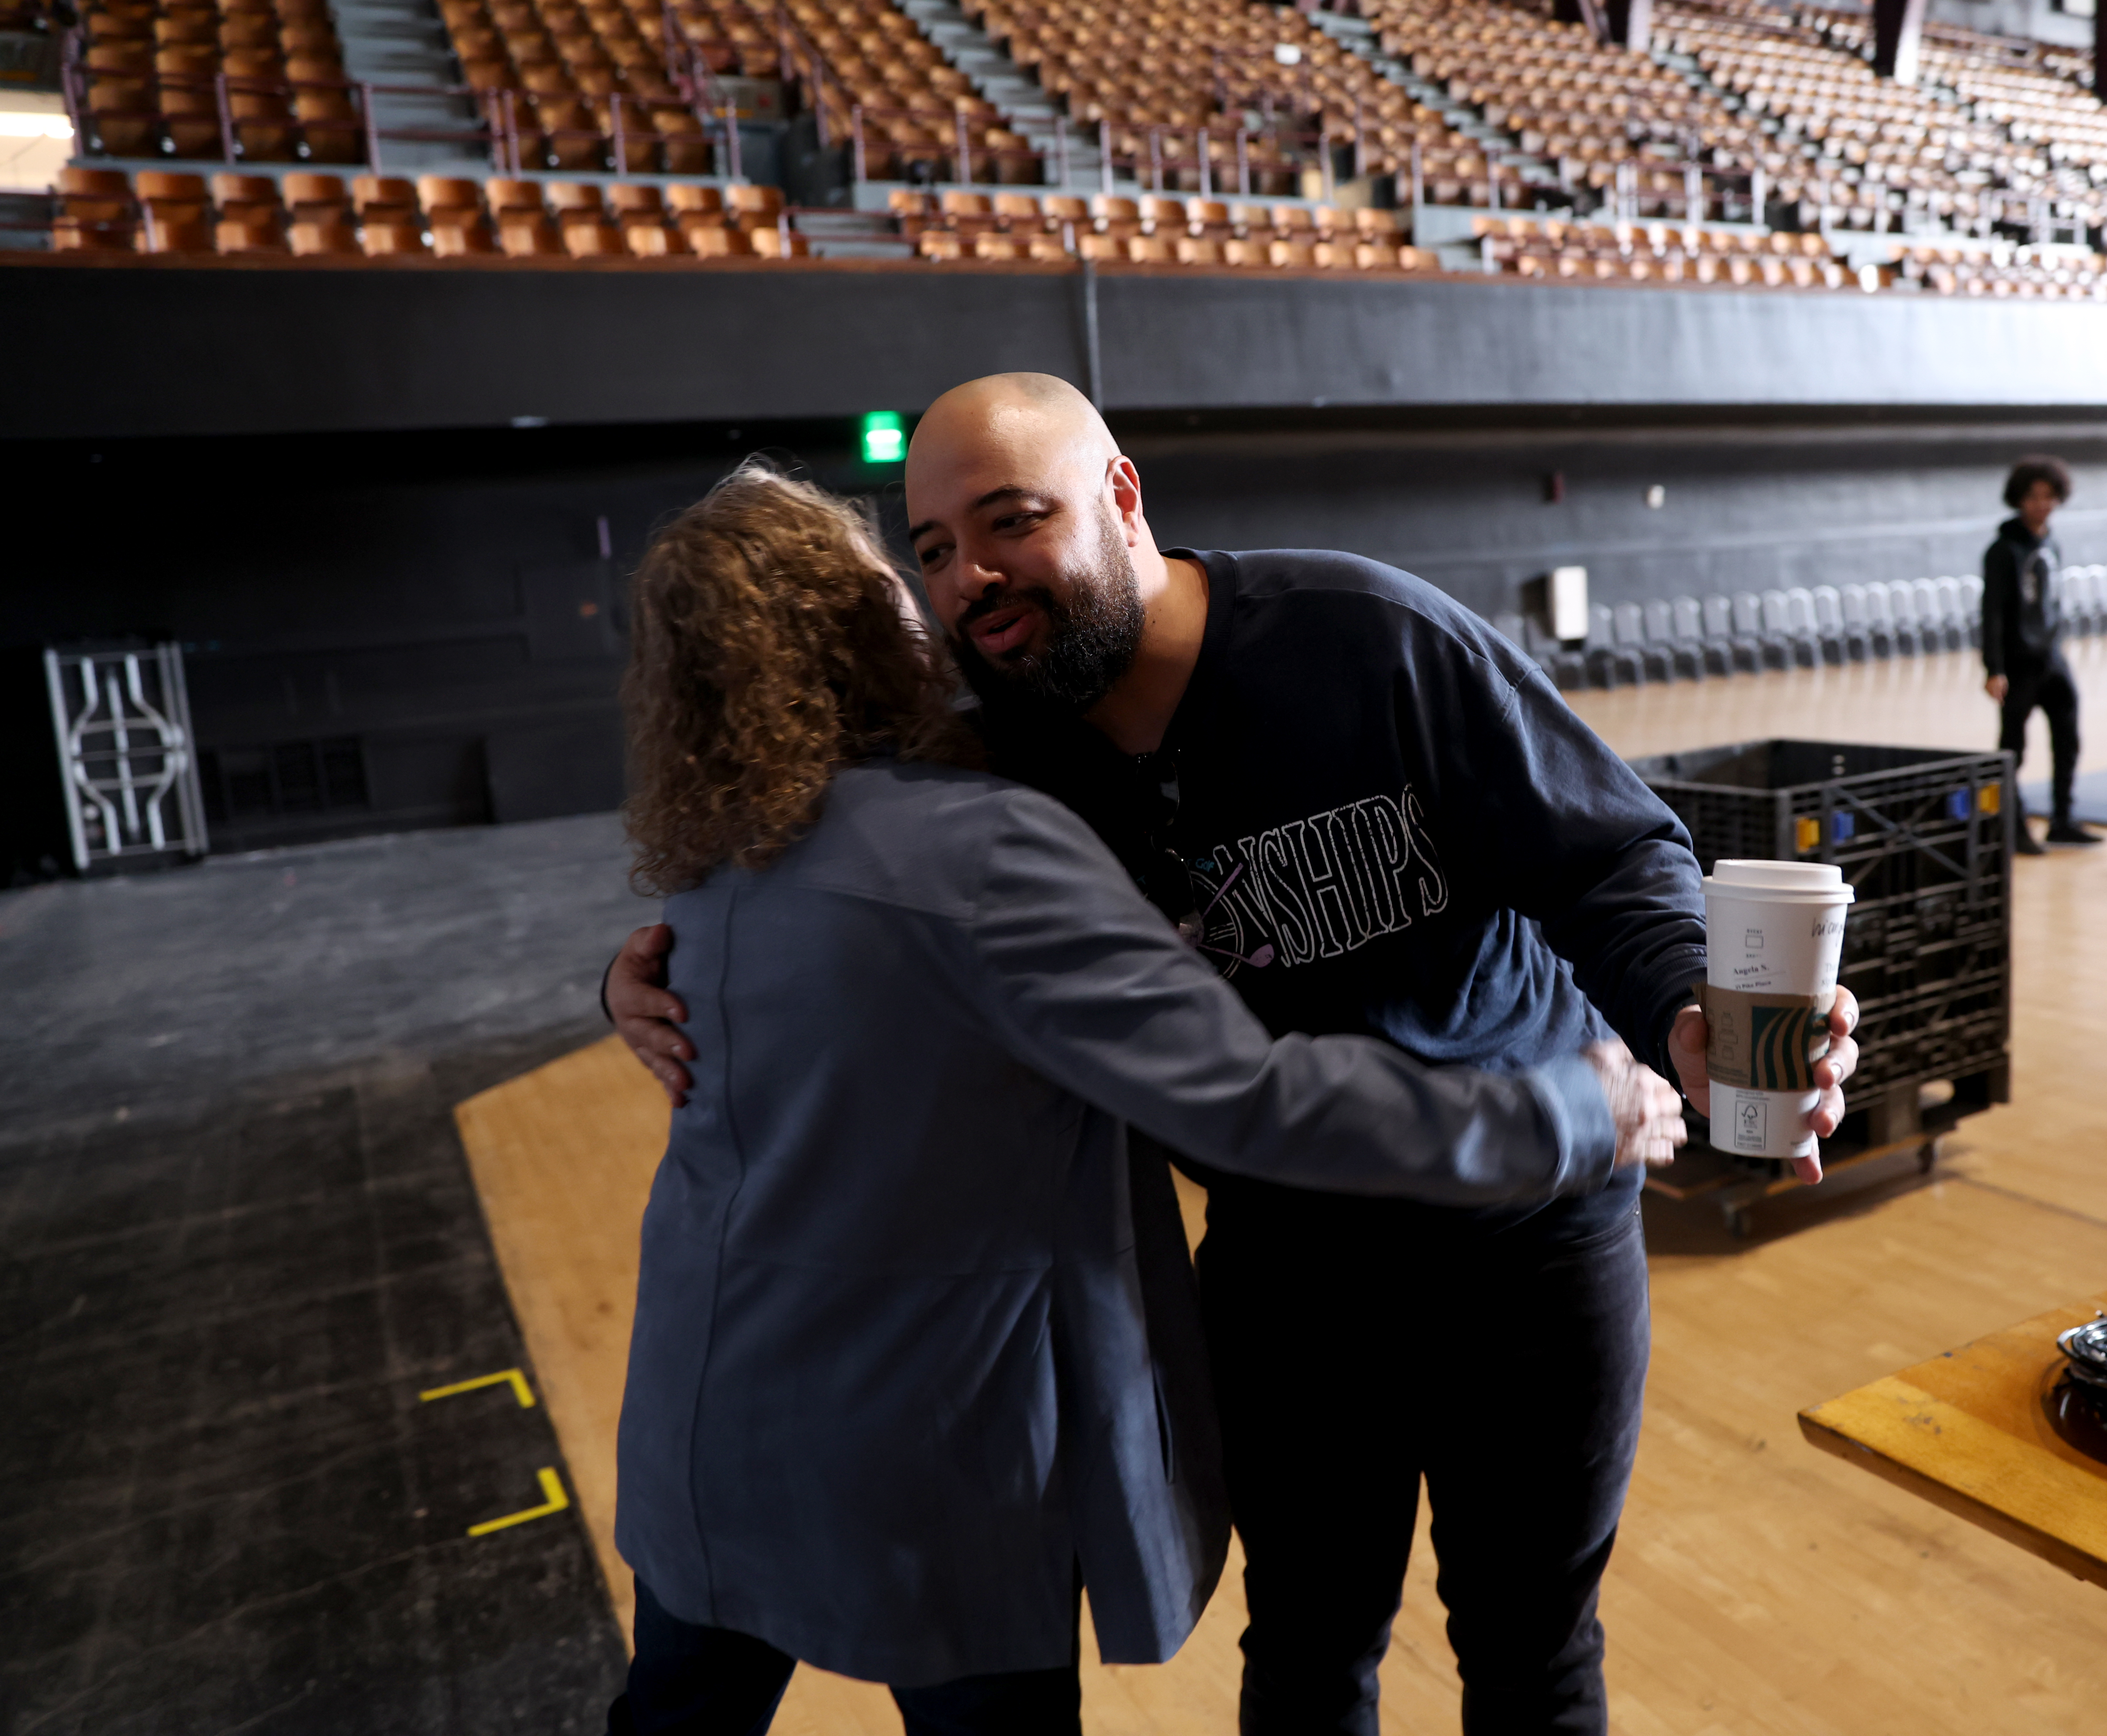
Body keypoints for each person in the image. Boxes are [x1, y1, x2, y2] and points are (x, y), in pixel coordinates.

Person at [608, 375, 1862, 1736]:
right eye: (929, 548)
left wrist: (1683, 1005)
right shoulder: (990, 758)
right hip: (1289, 1265)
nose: (969, 575)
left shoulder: (1366, 637)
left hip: (1528, 1247)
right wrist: (640, 971)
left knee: (1530, 1644)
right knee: (1312, 1648)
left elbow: (1608, 851)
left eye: (1010, 520)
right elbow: (810, 871)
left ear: (1121, 497)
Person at [1982, 455, 2102, 852]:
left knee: (2068, 738)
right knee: (2013, 750)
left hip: (2052, 657)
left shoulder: (2051, 543)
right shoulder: (2003, 550)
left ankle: (2063, 819)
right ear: (2019, 500)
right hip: (2019, 663)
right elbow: (1993, 612)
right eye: (2034, 497)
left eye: (2049, 497)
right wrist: (1995, 667)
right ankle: (2014, 828)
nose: (2042, 504)